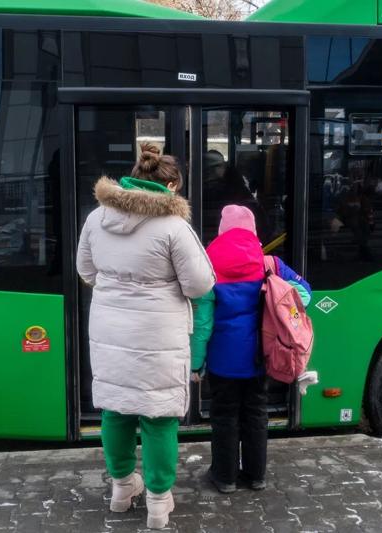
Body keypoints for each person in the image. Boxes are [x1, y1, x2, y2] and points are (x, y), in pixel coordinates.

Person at [76, 143, 215, 529]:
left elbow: (86, 271)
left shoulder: (96, 218)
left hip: (109, 332)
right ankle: (158, 502)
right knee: (158, 418)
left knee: (116, 411)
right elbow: (200, 285)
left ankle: (122, 489)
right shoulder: (173, 226)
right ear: (171, 186)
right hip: (159, 337)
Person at [192, 205, 311, 493]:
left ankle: (225, 478)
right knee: (256, 412)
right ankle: (256, 476)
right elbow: (304, 295)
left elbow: (203, 324)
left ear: (222, 231)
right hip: (260, 356)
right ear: (253, 230)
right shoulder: (270, 264)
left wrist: (195, 364)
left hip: (222, 360)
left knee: (224, 415)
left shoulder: (208, 267)